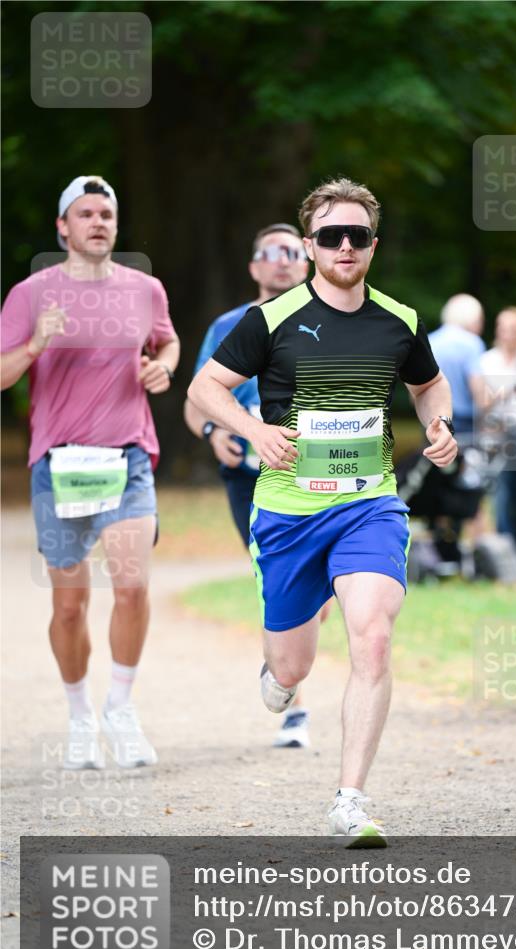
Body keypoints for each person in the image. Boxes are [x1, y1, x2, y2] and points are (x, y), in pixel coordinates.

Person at [188, 177, 457, 845]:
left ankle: (350, 800)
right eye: (330, 235)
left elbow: (429, 384)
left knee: (372, 636)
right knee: (291, 669)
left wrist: (440, 423)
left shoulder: (399, 321)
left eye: (356, 235)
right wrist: (253, 431)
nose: (344, 246)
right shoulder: (270, 320)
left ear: (373, 245)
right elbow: (205, 388)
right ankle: (277, 674)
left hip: (369, 504)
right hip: (287, 515)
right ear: (310, 245)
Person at [0, 175, 180, 769]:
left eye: (107, 214)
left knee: (131, 588)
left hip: (127, 457)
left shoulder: (145, 289)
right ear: (63, 227)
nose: (98, 222)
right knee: (70, 606)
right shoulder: (30, 294)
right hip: (60, 464)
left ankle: (120, 709)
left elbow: (167, 343)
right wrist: (35, 345)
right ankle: (80, 716)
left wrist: (162, 368)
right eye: (86, 214)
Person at [184, 223, 316, 748]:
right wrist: (214, 432)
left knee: (322, 592)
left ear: (306, 261)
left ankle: (285, 657)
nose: (282, 260)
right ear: (254, 265)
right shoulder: (228, 325)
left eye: (291, 251)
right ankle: (294, 707)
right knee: (277, 578)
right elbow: (196, 402)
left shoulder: (327, 316)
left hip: (318, 471)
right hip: (250, 476)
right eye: (271, 252)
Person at [478, 308, 516, 570]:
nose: (506, 335)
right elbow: (482, 401)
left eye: (512, 329)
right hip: (496, 433)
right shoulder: (488, 360)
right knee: (500, 497)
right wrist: (505, 392)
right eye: (502, 329)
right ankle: (507, 559)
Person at [428, 293, 485, 440]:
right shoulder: (472, 343)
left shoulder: (430, 341)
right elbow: (479, 392)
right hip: (464, 424)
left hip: (432, 421)